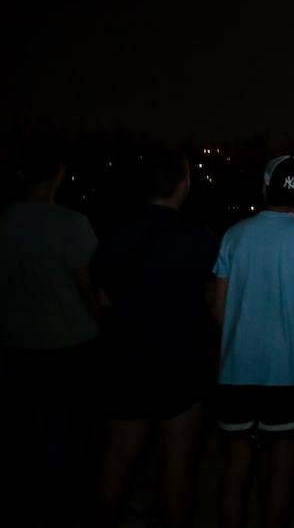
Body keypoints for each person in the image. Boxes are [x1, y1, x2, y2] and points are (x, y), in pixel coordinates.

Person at [91, 149, 219, 528]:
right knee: (179, 464)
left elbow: (101, 297)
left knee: (118, 460)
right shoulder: (198, 237)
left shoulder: (117, 232)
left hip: (128, 358)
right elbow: (214, 298)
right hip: (181, 361)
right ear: (183, 185)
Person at [213, 156, 294, 528]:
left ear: (264, 188)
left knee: (237, 468)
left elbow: (218, 306)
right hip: (290, 371)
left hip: (236, 370)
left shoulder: (234, 235)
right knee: (284, 466)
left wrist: (239, 337)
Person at [0, 142, 101, 527]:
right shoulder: (71, 224)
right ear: (59, 174)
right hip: (69, 340)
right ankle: (66, 503)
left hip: (16, 341)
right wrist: (102, 324)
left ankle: (28, 500)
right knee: (70, 428)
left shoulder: (5, 221)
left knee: (25, 428)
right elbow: (87, 285)